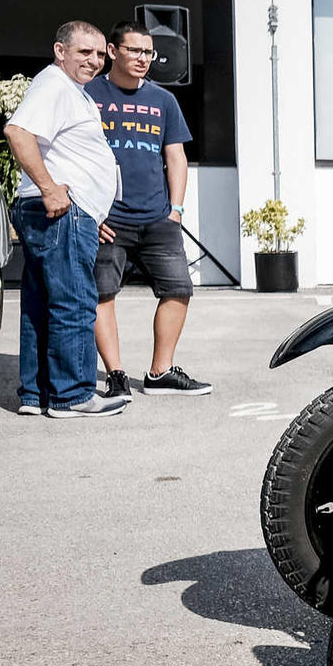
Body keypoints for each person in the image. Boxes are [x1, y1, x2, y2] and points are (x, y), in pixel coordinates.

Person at [3, 21, 129, 418]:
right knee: (75, 300)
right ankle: (72, 395)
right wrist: (50, 187)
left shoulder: (73, 91)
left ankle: (37, 394)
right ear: (61, 51)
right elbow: (17, 132)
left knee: (42, 302)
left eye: (97, 53)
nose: (93, 61)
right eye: (82, 53)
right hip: (59, 209)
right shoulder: (55, 84)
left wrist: (92, 210)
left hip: (68, 212)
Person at [86, 21, 210, 396]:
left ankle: (161, 372)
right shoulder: (88, 94)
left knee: (178, 289)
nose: (144, 59)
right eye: (135, 51)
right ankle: (117, 376)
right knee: (102, 294)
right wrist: (90, 212)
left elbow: (176, 155)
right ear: (112, 51)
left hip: (158, 217)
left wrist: (176, 209)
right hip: (107, 219)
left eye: (148, 52)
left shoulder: (163, 100)